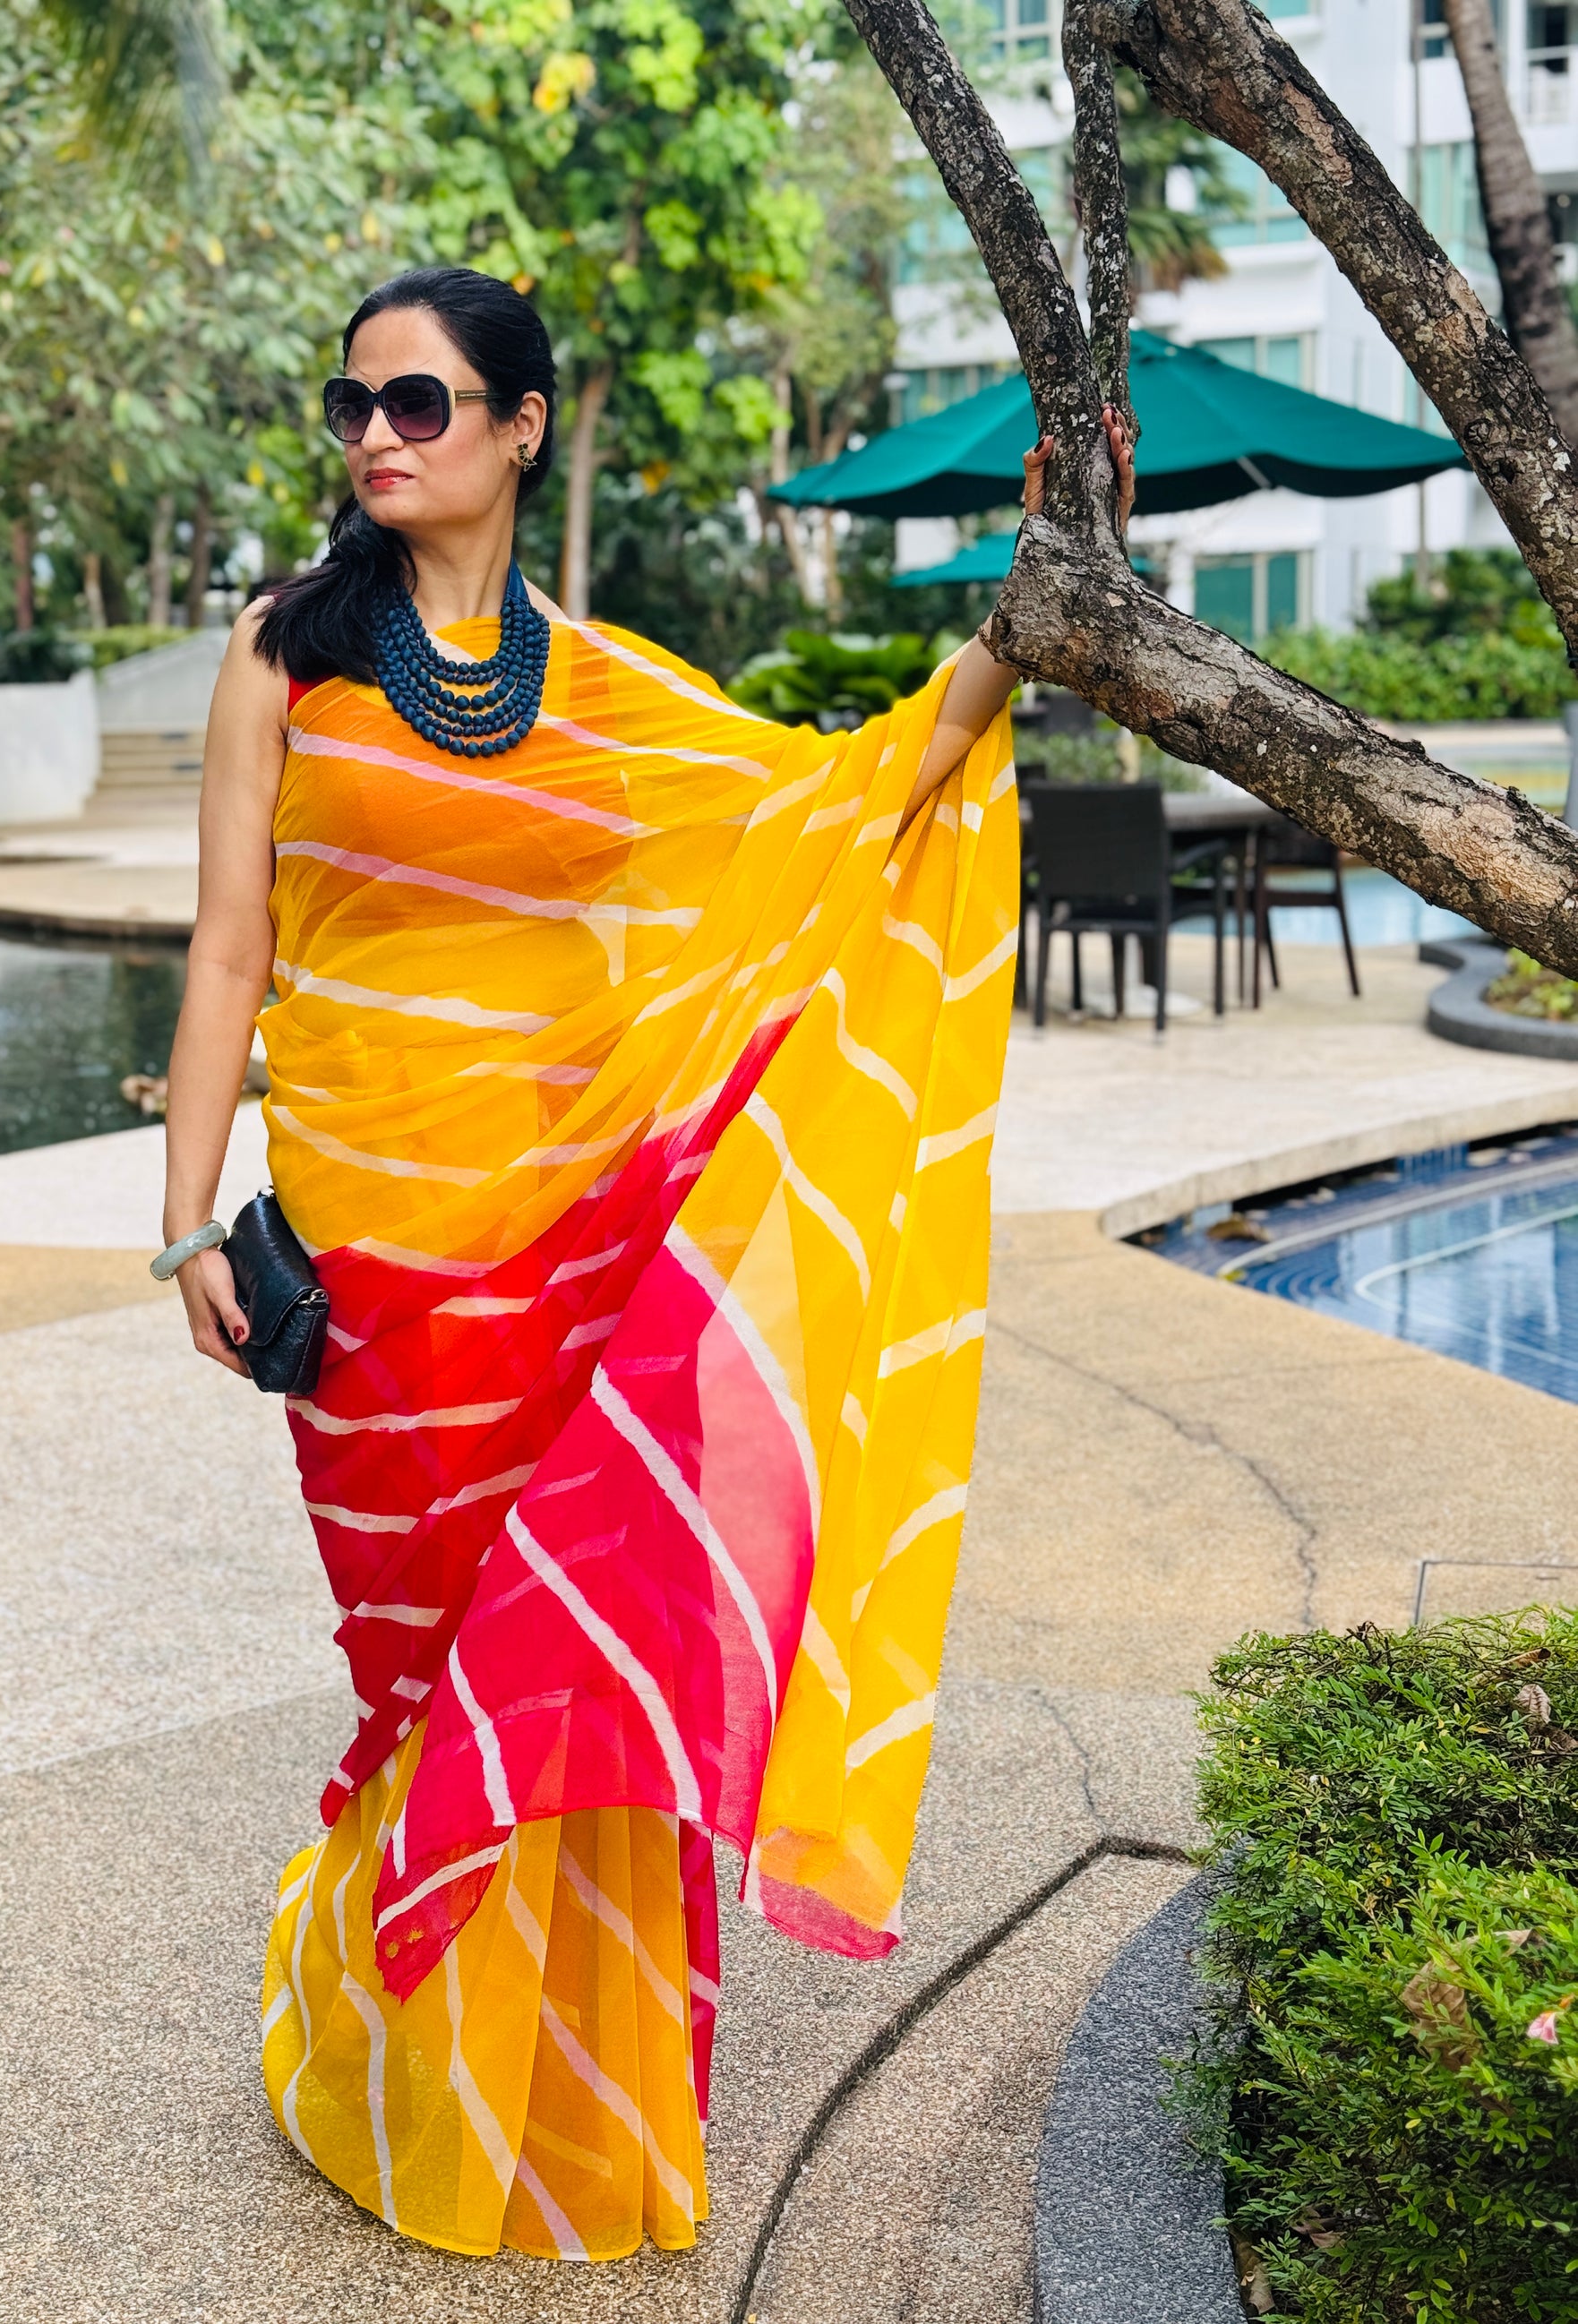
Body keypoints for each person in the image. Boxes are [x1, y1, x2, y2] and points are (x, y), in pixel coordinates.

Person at [156, 263, 1134, 2262]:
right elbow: (230, 949)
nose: (375, 437)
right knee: (420, 1658)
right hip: (372, 1256)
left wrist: (1021, 612)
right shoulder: (283, 656)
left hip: (565, 1232)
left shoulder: (601, 688)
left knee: (572, 1626)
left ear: (520, 425)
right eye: (353, 404)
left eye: (420, 403)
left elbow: (836, 799)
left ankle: (569, 2114)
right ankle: (395, 2065)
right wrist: (188, 1215)